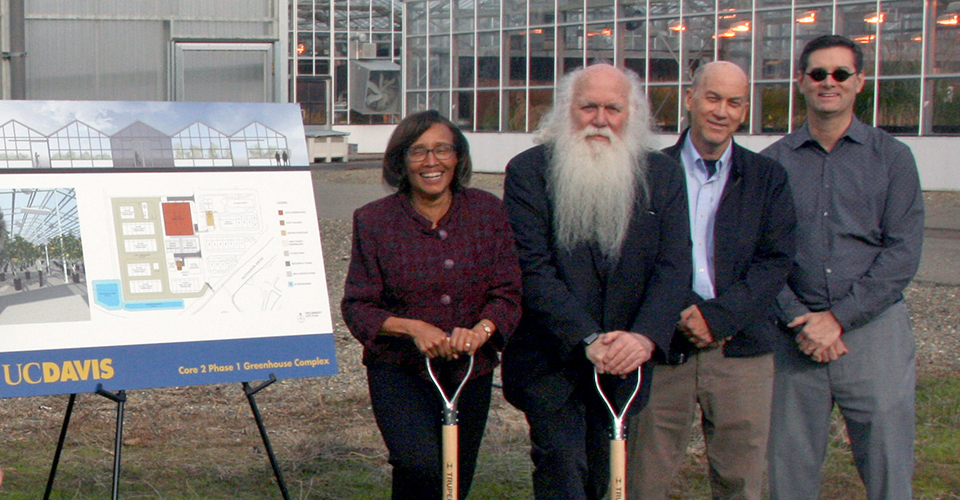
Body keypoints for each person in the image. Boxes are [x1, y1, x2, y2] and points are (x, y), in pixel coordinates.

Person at [501, 63, 691, 500]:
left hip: (627, 360)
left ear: (633, 114)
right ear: (567, 110)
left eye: (613, 108)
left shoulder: (661, 175)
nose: (600, 119)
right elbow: (531, 267)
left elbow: (674, 265)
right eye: (588, 106)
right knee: (563, 471)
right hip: (553, 360)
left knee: (604, 477)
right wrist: (586, 337)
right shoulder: (529, 172)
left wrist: (644, 338)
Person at [761, 35, 924, 500]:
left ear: (859, 82)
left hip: (873, 334)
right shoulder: (772, 164)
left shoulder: (892, 158)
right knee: (788, 472)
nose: (828, 83)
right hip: (794, 339)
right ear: (801, 82)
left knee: (889, 470)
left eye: (840, 74)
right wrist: (801, 319)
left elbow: (901, 253)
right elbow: (762, 254)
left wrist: (837, 320)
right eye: (817, 74)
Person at [625, 61, 796, 500]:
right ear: (690, 99)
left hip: (741, 350)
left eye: (734, 102)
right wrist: (682, 313)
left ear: (744, 110)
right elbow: (637, 258)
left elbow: (775, 261)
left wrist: (717, 318)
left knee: (742, 481)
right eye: (713, 97)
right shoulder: (648, 172)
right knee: (644, 478)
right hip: (664, 348)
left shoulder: (768, 178)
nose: (722, 110)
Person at [341, 110, 522, 500]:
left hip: (468, 371)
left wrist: (483, 331)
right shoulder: (374, 221)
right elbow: (358, 305)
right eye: (418, 152)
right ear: (401, 162)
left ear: (458, 158)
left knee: (455, 476)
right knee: (418, 464)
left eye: (442, 150)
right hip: (400, 372)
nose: (431, 162)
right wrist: (412, 328)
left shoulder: (488, 212)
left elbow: (508, 291)